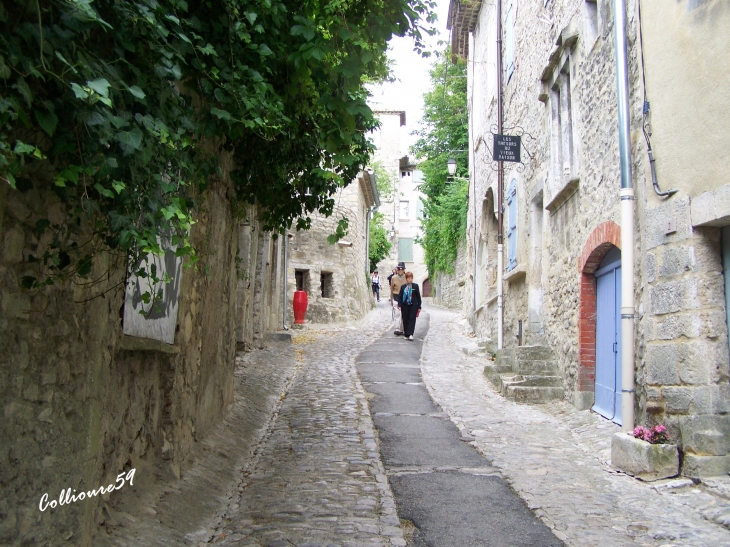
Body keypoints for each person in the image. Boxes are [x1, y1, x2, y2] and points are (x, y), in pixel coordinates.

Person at [397, 271, 422, 341]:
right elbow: (400, 296)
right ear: (406, 279)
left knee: (412, 318)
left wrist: (419, 306)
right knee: (405, 319)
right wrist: (399, 305)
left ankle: (411, 334)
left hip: (413, 305)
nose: (410, 279)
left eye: (411, 278)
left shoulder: (415, 286)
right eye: (408, 278)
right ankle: (406, 334)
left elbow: (418, 297)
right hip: (404, 305)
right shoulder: (403, 287)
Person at [390, 263, 407, 335]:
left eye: (402, 269)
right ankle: (397, 329)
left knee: (404, 314)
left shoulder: (406, 277)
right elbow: (391, 289)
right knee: (397, 314)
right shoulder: (393, 278)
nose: (400, 270)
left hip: (404, 298)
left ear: (404, 270)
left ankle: (402, 329)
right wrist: (391, 299)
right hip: (396, 297)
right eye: (399, 269)